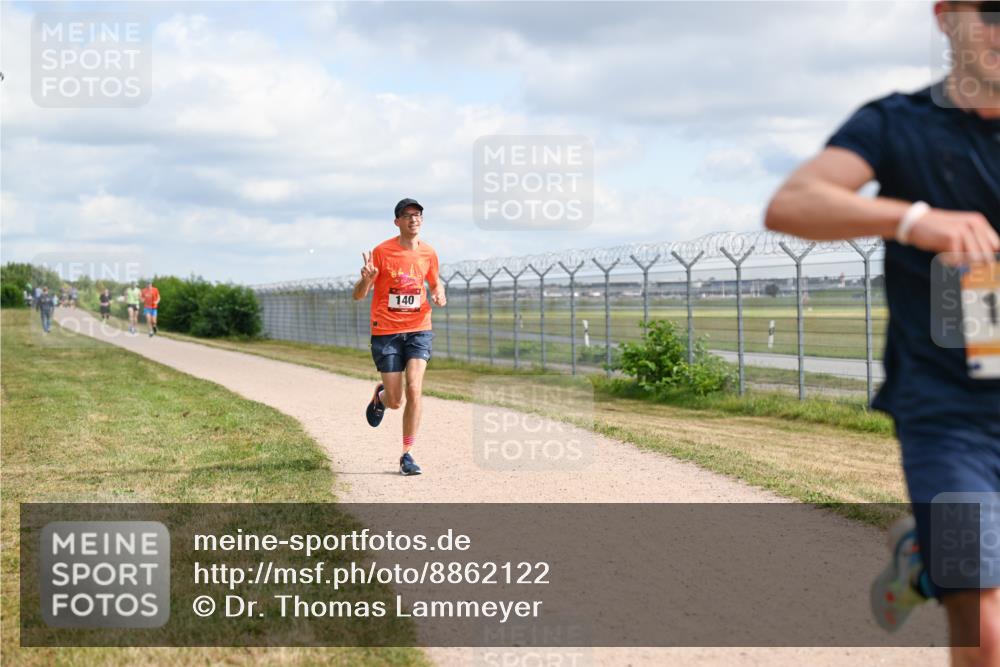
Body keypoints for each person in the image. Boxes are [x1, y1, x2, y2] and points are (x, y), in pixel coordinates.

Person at [764, 2, 999, 664]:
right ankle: (945, 565)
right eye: (991, 11)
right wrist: (913, 219)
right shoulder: (897, 124)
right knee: (981, 606)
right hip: (949, 412)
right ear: (947, 16)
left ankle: (924, 560)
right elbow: (791, 203)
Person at [354, 198, 446, 476]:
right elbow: (358, 296)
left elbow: (434, 280)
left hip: (419, 327)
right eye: (407, 215)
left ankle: (407, 455)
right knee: (397, 400)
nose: (413, 219)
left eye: (417, 215)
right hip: (387, 332)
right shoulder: (381, 252)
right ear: (397, 222)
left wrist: (439, 292)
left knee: (415, 389)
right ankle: (381, 397)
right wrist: (367, 279)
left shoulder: (429, 252)